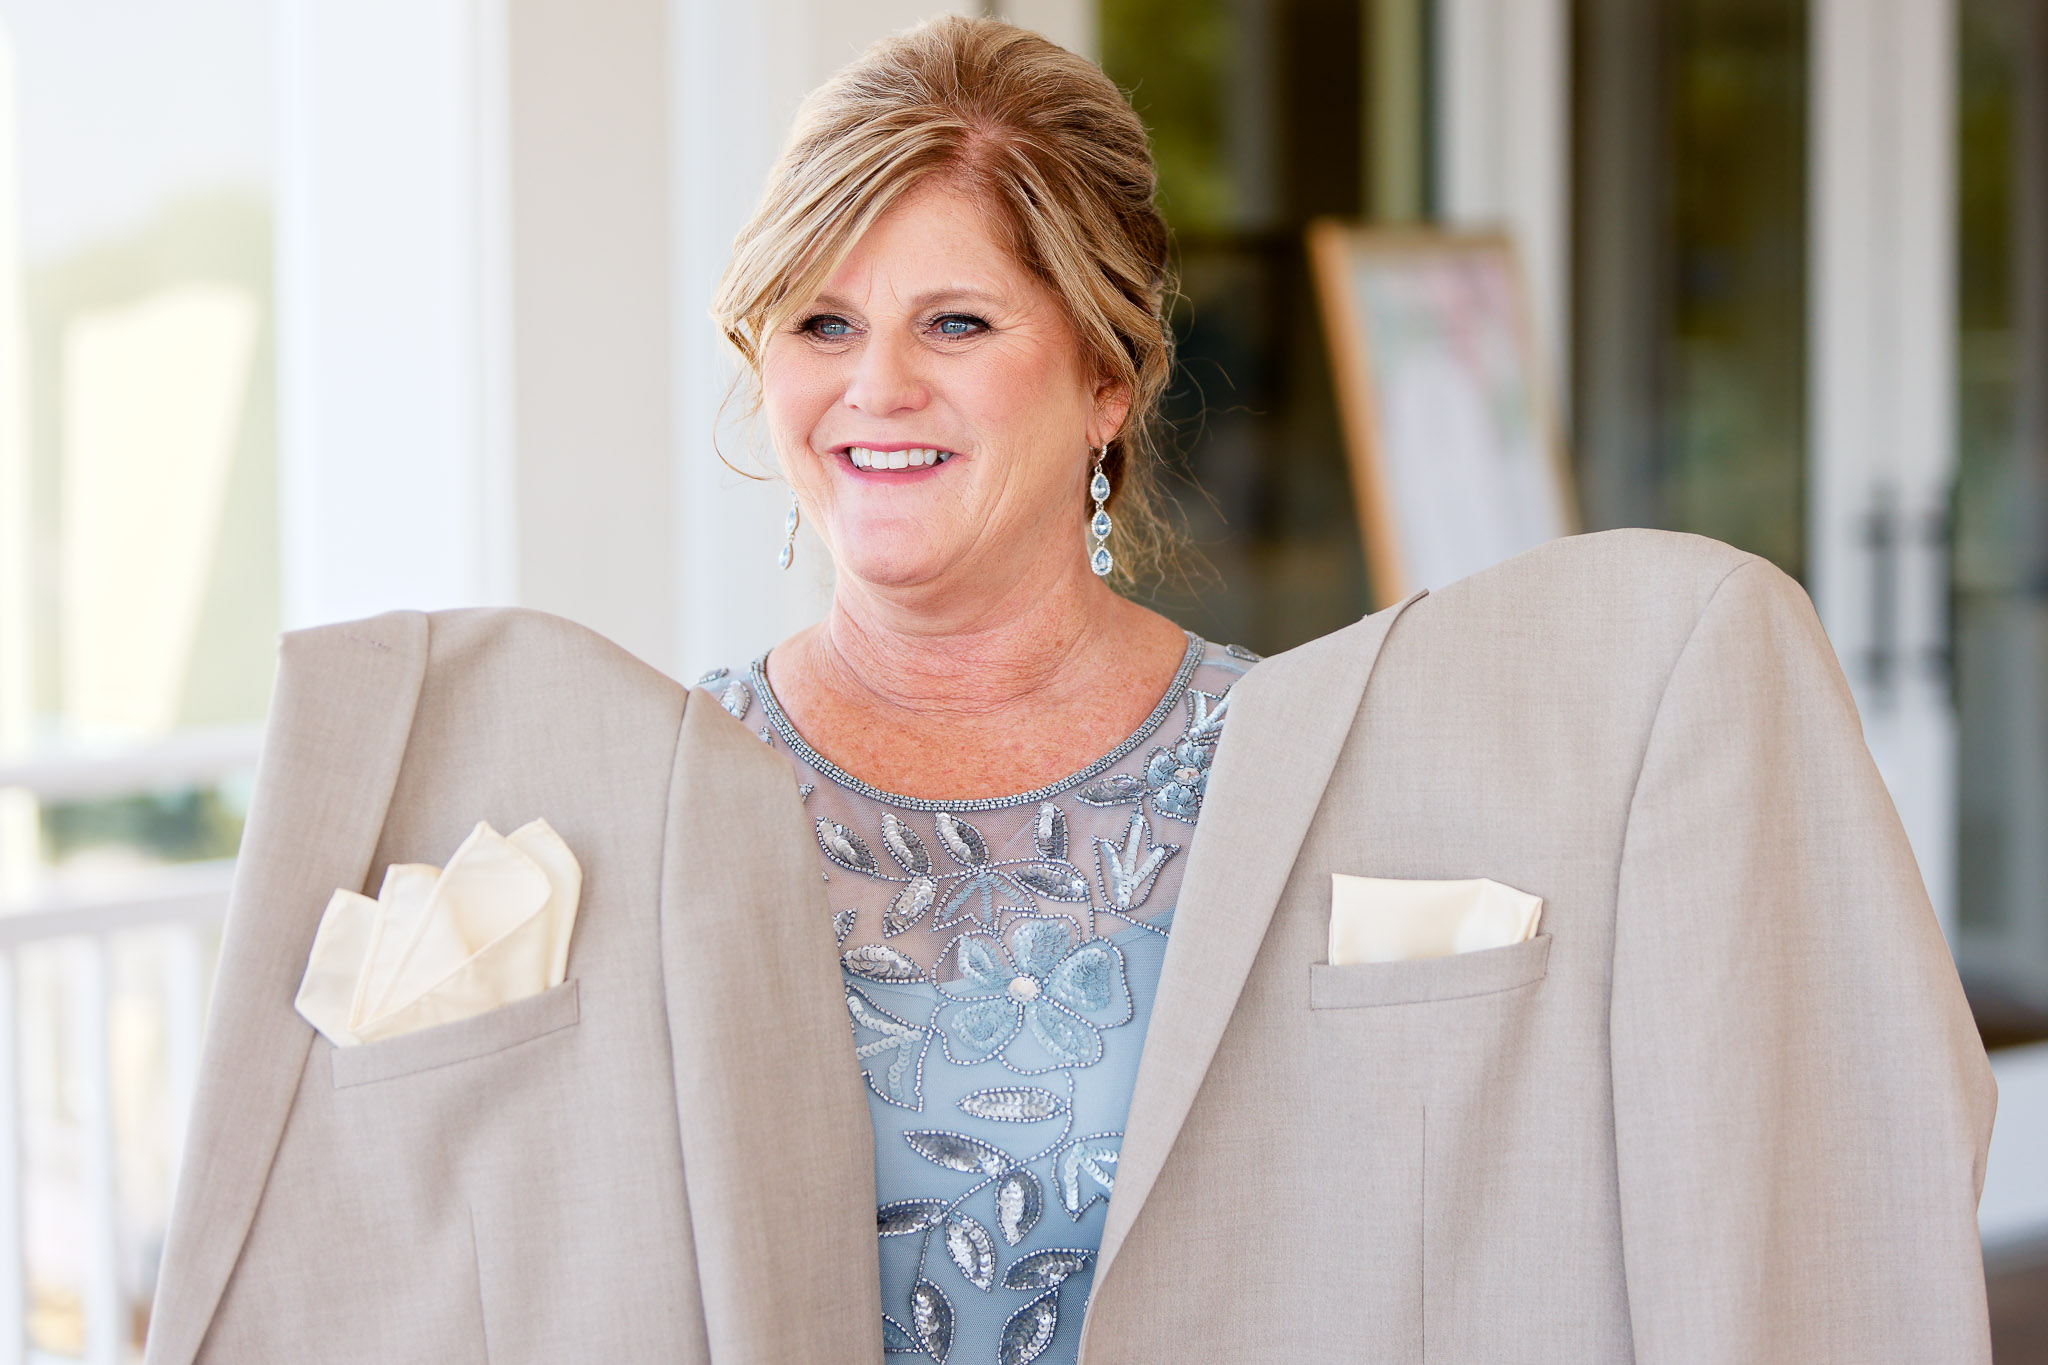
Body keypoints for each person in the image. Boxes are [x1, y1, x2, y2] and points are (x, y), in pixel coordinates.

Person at [702, 14, 1996, 1365]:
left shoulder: (1306, 769)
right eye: (823, 323)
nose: (876, 386)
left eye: (955, 322)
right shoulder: (675, 797)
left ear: (1106, 380)